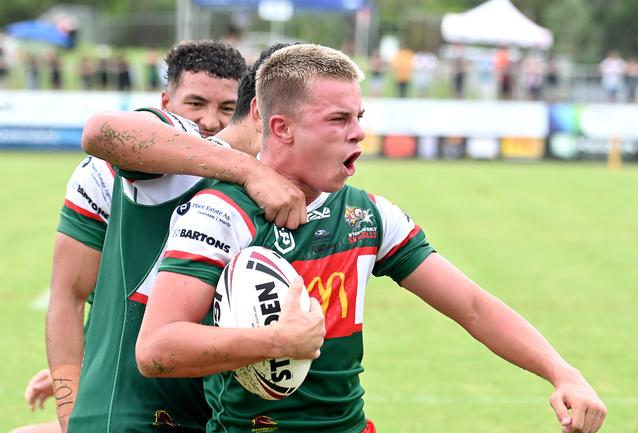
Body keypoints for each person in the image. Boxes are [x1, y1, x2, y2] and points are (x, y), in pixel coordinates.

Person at [136, 43, 607, 433]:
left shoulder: (369, 214)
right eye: (339, 120)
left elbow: (472, 305)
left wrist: (563, 372)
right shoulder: (222, 213)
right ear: (281, 128)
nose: (359, 133)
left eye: (359, 116)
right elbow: (156, 350)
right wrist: (275, 341)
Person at [48, 41, 303, 433]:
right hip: (131, 408)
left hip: (207, 410)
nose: (211, 121)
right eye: (196, 103)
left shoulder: (271, 187)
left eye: (224, 107)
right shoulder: (112, 171)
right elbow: (102, 131)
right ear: (166, 101)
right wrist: (70, 406)